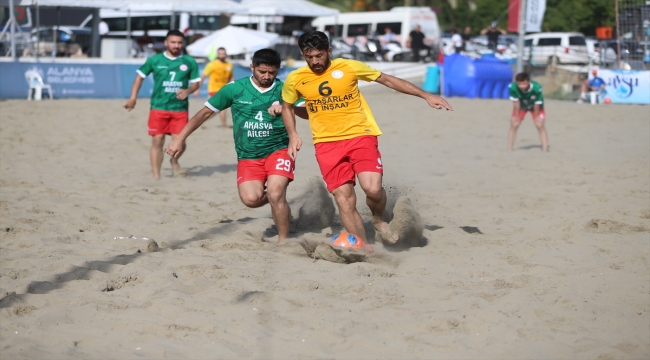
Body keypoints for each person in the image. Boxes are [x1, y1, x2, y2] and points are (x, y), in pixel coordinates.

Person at [280, 31, 452, 251]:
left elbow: (387, 79)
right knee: (344, 199)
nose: (315, 62)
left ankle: (378, 219)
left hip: (360, 135)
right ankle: (365, 249)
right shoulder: (295, 78)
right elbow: (287, 106)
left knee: (372, 189)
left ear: (329, 51)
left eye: (319, 55)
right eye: (309, 56)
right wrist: (293, 134)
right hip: (326, 144)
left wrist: (425, 95)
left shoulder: (349, 66)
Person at [164, 49, 306, 245]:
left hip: (279, 149)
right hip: (248, 155)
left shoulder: (285, 89)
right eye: (262, 71)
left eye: (271, 72)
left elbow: (309, 112)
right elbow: (204, 113)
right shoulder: (234, 89)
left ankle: (284, 241)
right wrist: (179, 139)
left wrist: (288, 108)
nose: (266, 76)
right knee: (251, 200)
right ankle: (279, 203)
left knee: (275, 192)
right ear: (252, 67)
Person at [124, 30, 200, 180]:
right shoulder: (155, 60)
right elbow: (139, 78)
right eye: (173, 42)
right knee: (157, 140)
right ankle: (156, 176)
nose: (176, 45)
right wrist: (133, 98)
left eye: (179, 42)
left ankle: (174, 161)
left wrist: (188, 90)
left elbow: (196, 83)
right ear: (166, 43)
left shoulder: (189, 61)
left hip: (180, 108)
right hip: (158, 107)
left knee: (180, 141)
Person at [507, 72, 549, 152]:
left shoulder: (537, 87)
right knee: (514, 124)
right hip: (522, 106)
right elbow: (516, 103)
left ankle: (545, 149)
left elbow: (537, 103)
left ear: (529, 81)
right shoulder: (512, 87)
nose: (521, 86)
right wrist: (516, 116)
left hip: (535, 106)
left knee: (539, 124)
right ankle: (509, 149)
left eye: (524, 84)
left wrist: (537, 117)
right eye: (519, 84)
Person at [193, 47, 234, 128]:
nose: (222, 55)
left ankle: (201, 121)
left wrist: (233, 86)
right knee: (219, 109)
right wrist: (197, 89)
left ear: (226, 54)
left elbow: (231, 77)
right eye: (220, 54)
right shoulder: (212, 64)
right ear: (217, 54)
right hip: (214, 89)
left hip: (225, 89)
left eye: (223, 53)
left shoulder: (229, 65)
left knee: (215, 111)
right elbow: (203, 77)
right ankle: (224, 126)